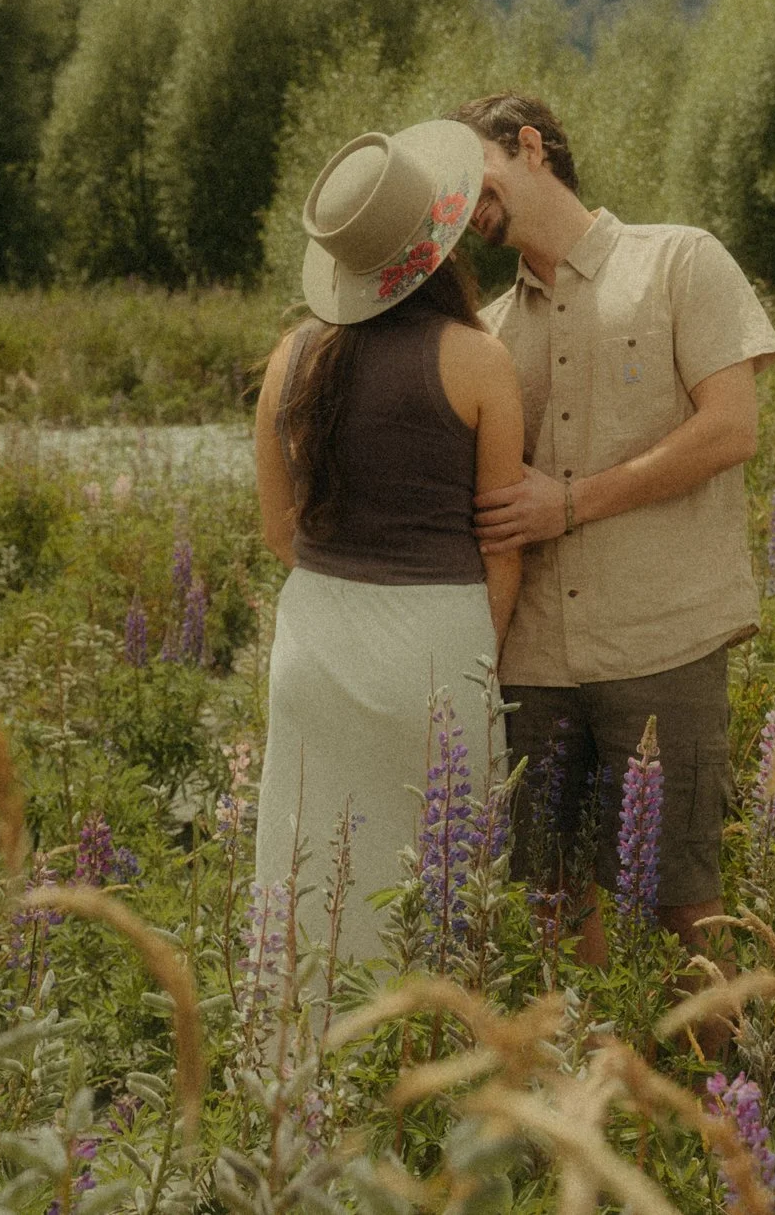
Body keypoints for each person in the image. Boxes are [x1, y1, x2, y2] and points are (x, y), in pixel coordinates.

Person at [451, 92, 775, 967]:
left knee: (687, 905)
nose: (464, 202)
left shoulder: (680, 261)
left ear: (530, 146)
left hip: (661, 639)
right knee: (554, 908)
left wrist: (570, 501)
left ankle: (716, 1102)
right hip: (534, 658)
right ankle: (601, 1096)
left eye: (473, 173)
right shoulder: (485, 332)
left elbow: (731, 428)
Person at [250, 120, 526, 964]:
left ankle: (299, 1079)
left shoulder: (289, 358)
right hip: (438, 650)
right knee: (440, 895)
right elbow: (503, 547)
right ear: (437, 242)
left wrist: (348, 588)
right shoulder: (480, 360)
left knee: (308, 891)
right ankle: (437, 1071)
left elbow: (277, 530)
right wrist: (473, 654)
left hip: (315, 645)